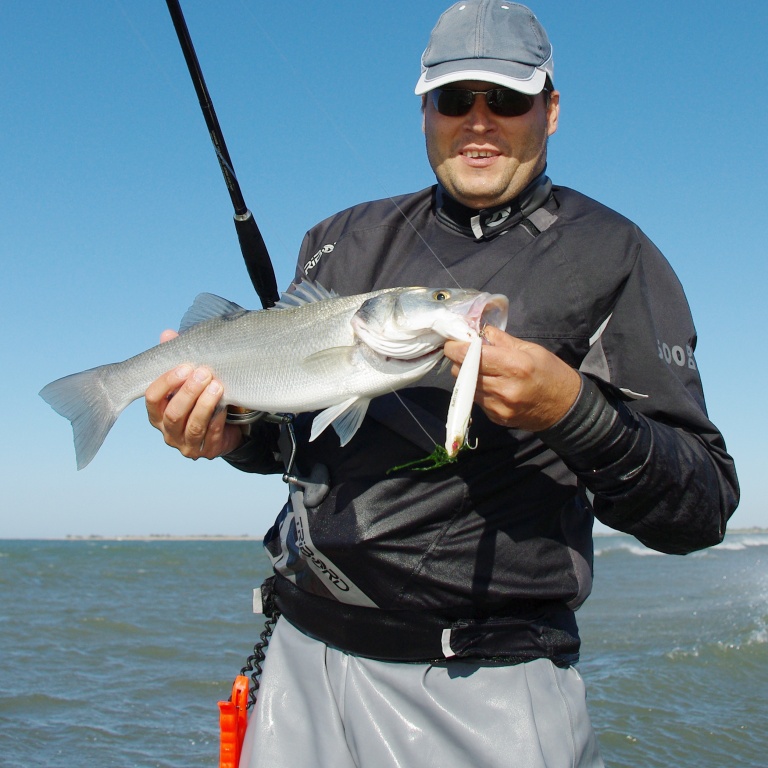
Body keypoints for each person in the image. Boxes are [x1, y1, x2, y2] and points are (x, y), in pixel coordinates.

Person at [145, 2, 739, 766]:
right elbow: (294, 445)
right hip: (297, 658)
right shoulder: (340, 239)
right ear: (425, 111)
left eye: (509, 99)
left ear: (550, 111)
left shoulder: (616, 254)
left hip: (484, 686)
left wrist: (572, 410)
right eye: (455, 99)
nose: (480, 122)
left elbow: (701, 508)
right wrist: (229, 432)